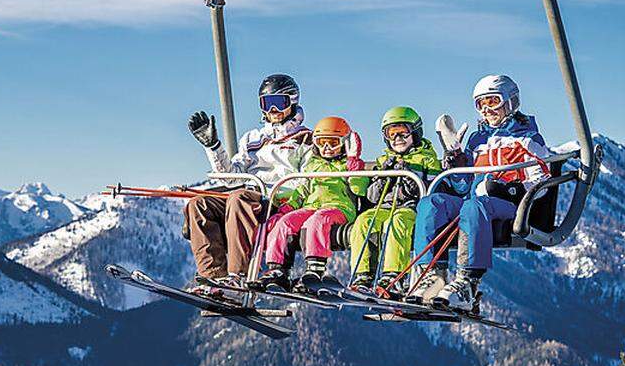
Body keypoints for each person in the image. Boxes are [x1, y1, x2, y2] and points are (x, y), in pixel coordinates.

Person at [411, 75, 551, 311]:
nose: (487, 110)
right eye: (481, 104)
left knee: (475, 206)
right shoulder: (477, 139)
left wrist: (509, 188)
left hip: (508, 206)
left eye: (493, 101)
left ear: (511, 101)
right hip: (474, 203)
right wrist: (455, 157)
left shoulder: (528, 139)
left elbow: (542, 181)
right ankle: (433, 276)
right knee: (431, 203)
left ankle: (467, 282)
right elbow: (462, 186)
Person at [184, 74, 312, 296]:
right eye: (266, 103)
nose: (272, 110)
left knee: (238, 198)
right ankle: (213, 278)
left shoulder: (305, 138)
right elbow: (231, 177)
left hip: (277, 199)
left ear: (292, 101)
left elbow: (307, 178)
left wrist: (283, 196)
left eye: (278, 102)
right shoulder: (252, 138)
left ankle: (237, 275)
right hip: (248, 195)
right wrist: (213, 146)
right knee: (198, 205)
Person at [257, 116, 367, 292]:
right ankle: (278, 270)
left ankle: (315, 269)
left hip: (338, 209)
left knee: (316, 221)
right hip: (311, 207)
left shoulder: (348, 165)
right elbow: (301, 191)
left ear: (345, 143)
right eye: (322, 142)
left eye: (333, 143)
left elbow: (359, 189)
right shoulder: (312, 166)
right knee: (285, 223)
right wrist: (285, 210)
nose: (327, 148)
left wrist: (353, 162)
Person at [349, 106, 441, 297]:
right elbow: (372, 197)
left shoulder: (426, 158)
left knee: (397, 222)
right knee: (364, 222)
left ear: (415, 132)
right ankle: (363, 275)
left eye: (403, 132)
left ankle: (393, 276)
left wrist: (411, 179)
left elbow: (433, 188)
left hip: (409, 207)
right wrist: (382, 178)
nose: (398, 138)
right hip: (383, 206)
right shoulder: (383, 159)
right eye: (392, 133)